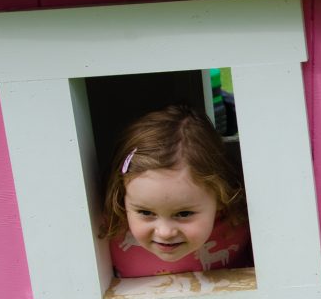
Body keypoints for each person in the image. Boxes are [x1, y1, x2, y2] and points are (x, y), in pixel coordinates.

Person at [100, 105, 250, 278]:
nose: (165, 232)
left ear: (221, 197)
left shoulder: (241, 223)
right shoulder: (107, 231)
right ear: (122, 197)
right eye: (145, 212)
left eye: (184, 213)